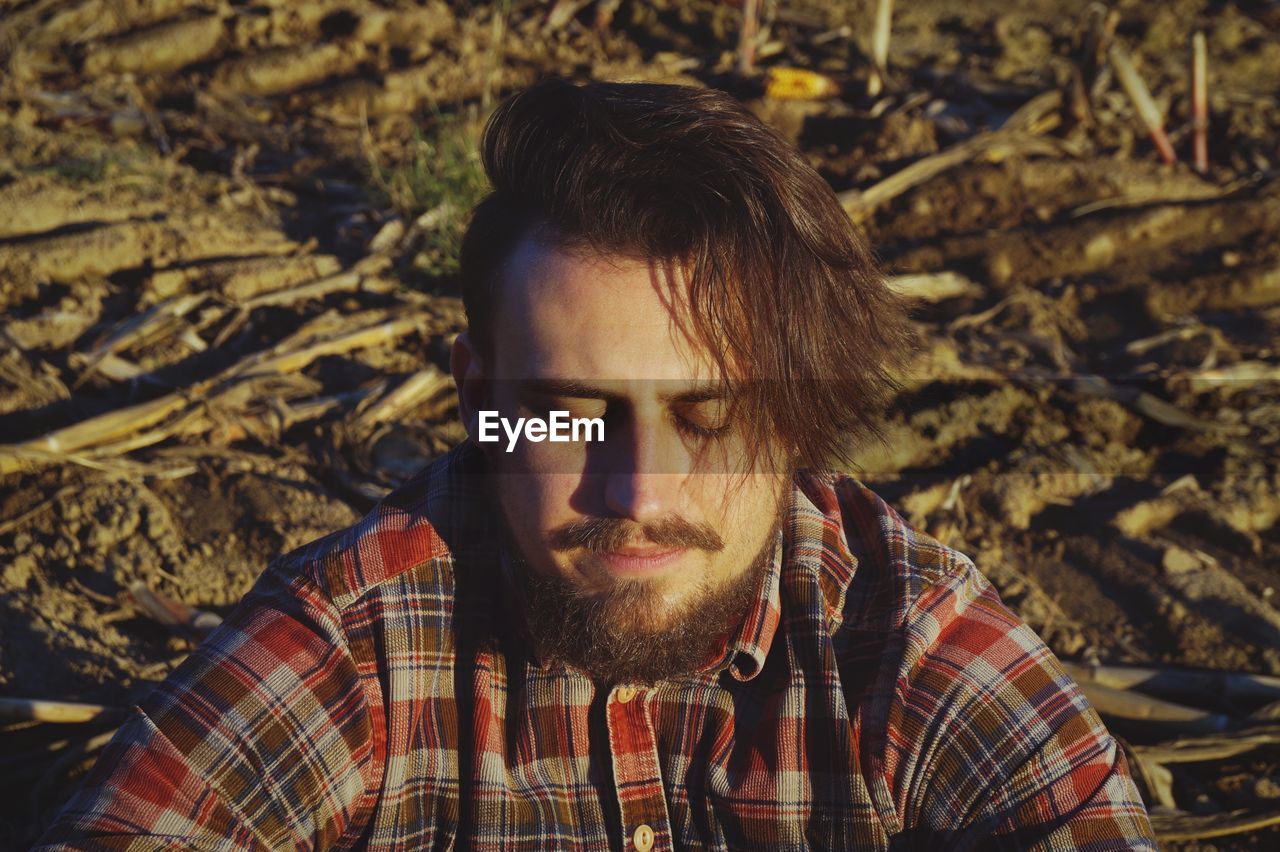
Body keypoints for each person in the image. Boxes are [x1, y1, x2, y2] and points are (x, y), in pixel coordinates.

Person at [39, 79, 1156, 850]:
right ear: (479, 403)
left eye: (712, 418)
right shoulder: (359, 643)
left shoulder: (906, 646)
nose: (638, 493)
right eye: (569, 416)